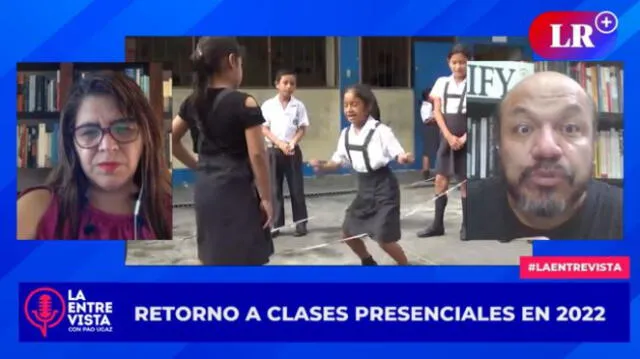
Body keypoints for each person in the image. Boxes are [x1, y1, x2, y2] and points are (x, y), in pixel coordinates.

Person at [466, 71, 623, 240]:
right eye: (523, 129)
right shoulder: (466, 209)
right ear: (497, 141)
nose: (547, 149)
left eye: (570, 128)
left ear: (594, 142)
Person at [17, 72, 172, 240]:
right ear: (72, 143)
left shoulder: (170, 213)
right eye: (89, 132)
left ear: (146, 138)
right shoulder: (34, 210)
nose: (107, 147)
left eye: (124, 129)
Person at [170, 36, 274, 265]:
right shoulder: (244, 103)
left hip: (206, 188)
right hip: (236, 190)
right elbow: (257, 155)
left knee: (214, 256)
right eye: (241, 63)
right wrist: (267, 198)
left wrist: (199, 165)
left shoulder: (192, 101)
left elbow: (171, 141)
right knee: (244, 259)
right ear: (231, 61)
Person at [309, 84, 414, 265]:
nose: (349, 109)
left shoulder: (381, 131)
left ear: (367, 107)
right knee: (348, 233)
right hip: (364, 188)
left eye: (354, 104)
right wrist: (323, 166)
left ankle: (407, 270)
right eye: (346, 105)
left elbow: (398, 153)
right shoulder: (346, 134)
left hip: (384, 188)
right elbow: (338, 161)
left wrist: (404, 158)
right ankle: (368, 262)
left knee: (384, 239)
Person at [417, 44, 470, 241]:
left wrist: (465, 137)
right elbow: (437, 112)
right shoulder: (441, 82)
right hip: (446, 136)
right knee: (440, 179)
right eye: (455, 62)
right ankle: (437, 224)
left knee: (465, 183)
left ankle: (467, 226)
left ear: (468, 63)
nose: (458, 67)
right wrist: (448, 136)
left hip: (467, 136)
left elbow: (481, 114)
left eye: (463, 62)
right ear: (448, 63)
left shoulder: (475, 83)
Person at [261, 69, 309, 237]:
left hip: (292, 151)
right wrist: (279, 143)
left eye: (292, 83)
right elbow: (264, 129)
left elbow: (302, 128)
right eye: (285, 83)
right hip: (273, 151)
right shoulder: (268, 105)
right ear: (277, 84)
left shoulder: (299, 106)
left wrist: (292, 143)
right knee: (274, 189)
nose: (289, 87)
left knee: (296, 188)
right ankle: (275, 224)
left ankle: (301, 223)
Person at [420, 87, 437, 180]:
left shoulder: (431, 105)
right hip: (430, 129)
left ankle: (427, 172)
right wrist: (435, 117)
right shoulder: (427, 106)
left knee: (430, 150)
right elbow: (426, 120)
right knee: (428, 151)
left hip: (433, 129)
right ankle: (426, 172)